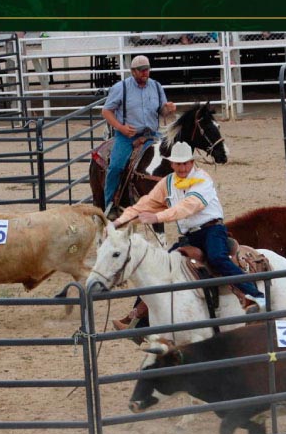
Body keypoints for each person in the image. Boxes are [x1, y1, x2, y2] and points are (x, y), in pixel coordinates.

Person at [112, 141, 265, 329]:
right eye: (178, 163)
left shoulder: (202, 179)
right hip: (189, 236)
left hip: (212, 230)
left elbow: (188, 207)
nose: (182, 167)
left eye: (186, 163)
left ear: (192, 162)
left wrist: (157, 217)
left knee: (217, 257)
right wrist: (119, 222)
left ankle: (255, 296)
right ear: (172, 164)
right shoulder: (167, 183)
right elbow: (144, 205)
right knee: (160, 266)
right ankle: (138, 319)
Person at [101, 55, 176, 215]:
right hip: (127, 136)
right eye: (141, 70)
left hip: (152, 134)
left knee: (174, 160)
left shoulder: (156, 86)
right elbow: (106, 111)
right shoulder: (121, 88)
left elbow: (161, 111)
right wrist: (121, 128)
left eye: (147, 69)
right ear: (133, 71)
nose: (145, 73)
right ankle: (109, 205)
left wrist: (168, 109)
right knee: (116, 167)